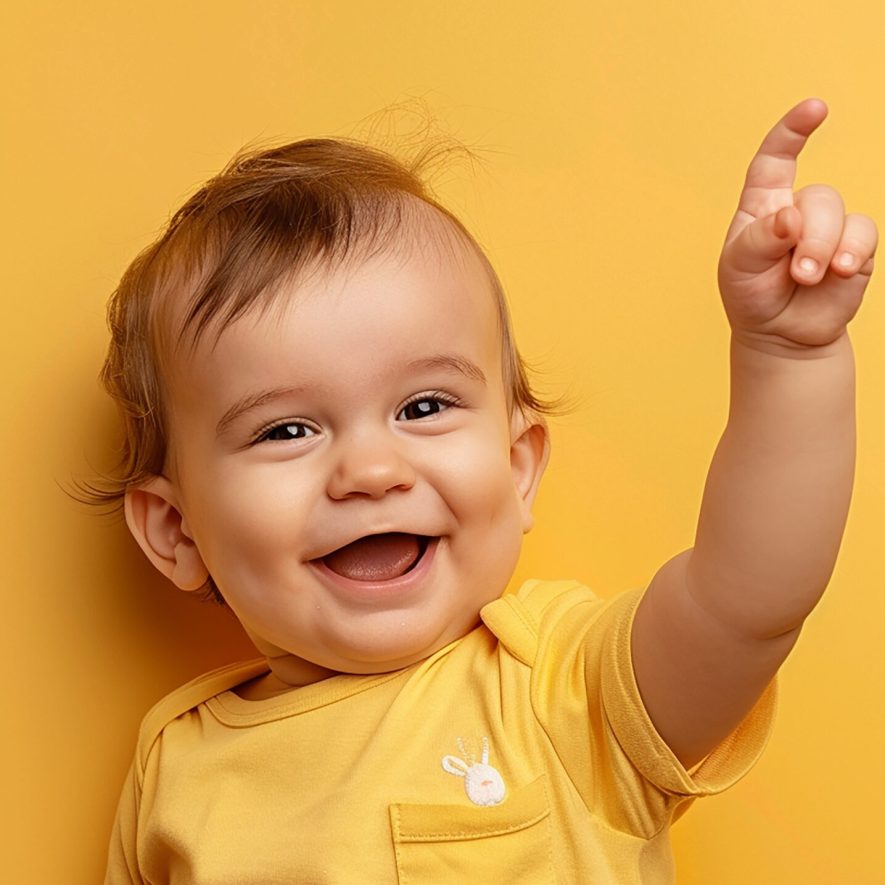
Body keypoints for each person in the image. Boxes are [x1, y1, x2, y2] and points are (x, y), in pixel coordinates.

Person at [100, 99, 876, 883]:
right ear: (176, 529)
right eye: (287, 431)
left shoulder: (562, 684)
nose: (371, 471)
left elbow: (748, 598)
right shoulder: (176, 767)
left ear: (515, 468)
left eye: (423, 407)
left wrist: (789, 356)